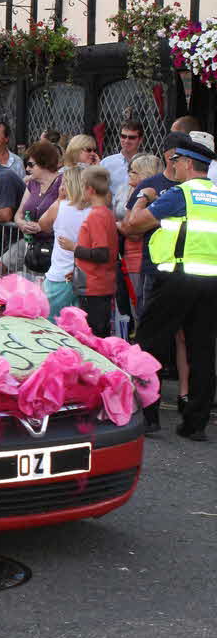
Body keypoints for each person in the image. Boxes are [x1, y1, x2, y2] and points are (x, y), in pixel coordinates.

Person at [129, 134, 217, 441]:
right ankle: (195, 425)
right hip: (210, 282)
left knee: (148, 343)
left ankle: (149, 417)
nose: (173, 166)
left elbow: (134, 225)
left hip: (175, 280)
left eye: (176, 161)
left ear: (189, 164)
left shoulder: (181, 194)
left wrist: (142, 198)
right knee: (202, 351)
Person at [57, 166, 117, 338]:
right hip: (96, 282)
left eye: (82, 186)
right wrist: (77, 270)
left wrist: (73, 247)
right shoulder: (105, 213)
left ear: (89, 190)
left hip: (95, 286)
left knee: (94, 335)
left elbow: (101, 253)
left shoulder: (97, 216)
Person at [0, 140, 62, 277]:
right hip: (29, 241)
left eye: (31, 164)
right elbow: (18, 214)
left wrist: (41, 226)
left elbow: (65, 214)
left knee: (40, 282)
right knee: (0, 267)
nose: (27, 169)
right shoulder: (32, 184)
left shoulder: (62, 183)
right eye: (27, 165)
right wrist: (21, 223)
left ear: (44, 163)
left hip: (53, 243)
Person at [42, 165, 90, 319]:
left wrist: (58, 199)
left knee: (48, 324)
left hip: (60, 275)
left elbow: (43, 225)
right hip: (85, 277)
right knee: (76, 326)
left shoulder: (59, 206)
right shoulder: (96, 210)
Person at [118, 153, 162, 318]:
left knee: (140, 308)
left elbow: (134, 230)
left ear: (145, 174)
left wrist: (117, 225)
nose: (129, 174)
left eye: (134, 171)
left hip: (140, 259)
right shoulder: (131, 191)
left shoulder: (148, 196)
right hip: (128, 257)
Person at [101, 120, 143, 219]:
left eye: (131, 137)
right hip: (110, 219)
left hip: (136, 219)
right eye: (123, 136)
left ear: (140, 139)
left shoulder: (148, 164)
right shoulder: (106, 163)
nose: (126, 141)